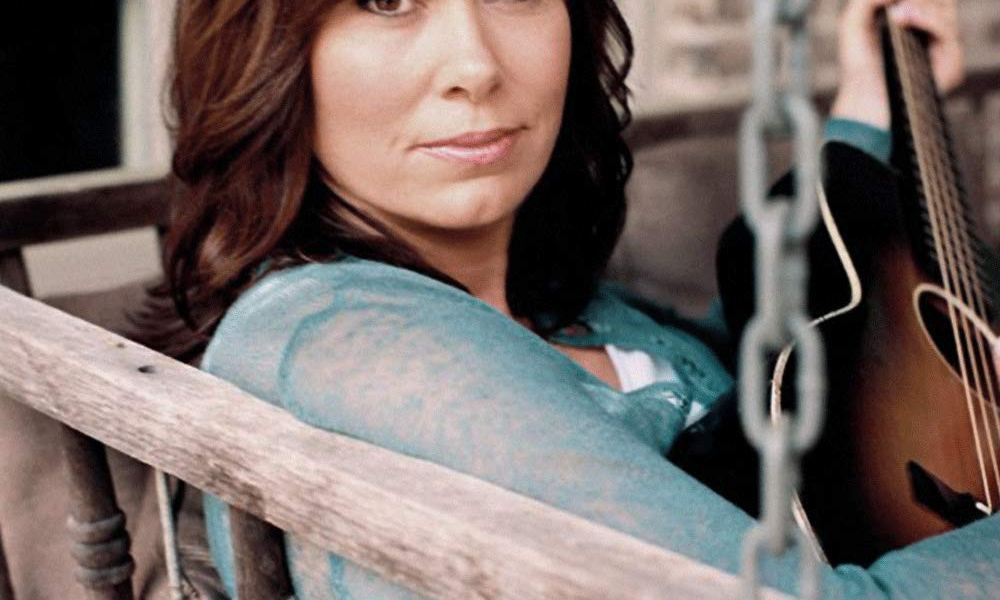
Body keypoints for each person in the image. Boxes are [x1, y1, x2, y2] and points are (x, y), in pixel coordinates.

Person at [141, 0, 999, 597]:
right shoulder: (351, 340)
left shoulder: (555, 305)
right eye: (387, 1)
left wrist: (870, 109)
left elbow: (781, 382)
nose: (476, 67)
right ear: (268, 55)